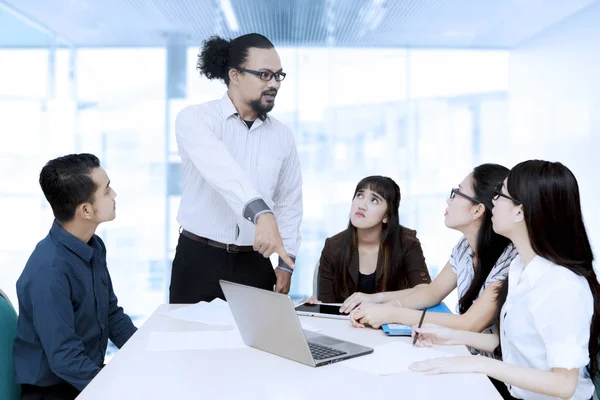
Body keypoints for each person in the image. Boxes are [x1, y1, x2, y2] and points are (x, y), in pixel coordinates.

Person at [410, 160, 599, 400]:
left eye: (500, 195)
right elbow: (514, 345)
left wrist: (481, 365)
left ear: (520, 211)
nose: (493, 203)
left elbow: (564, 384)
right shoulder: (521, 267)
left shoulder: (562, 286)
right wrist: (449, 336)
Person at [169, 33, 303, 304]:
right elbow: (222, 171)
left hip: (254, 262)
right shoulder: (195, 119)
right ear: (235, 75)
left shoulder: (282, 136)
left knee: (258, 346)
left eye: (279, 75)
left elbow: (290, 201)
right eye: (264, 74)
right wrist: (261, 213)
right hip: (198, 259)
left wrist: (286, 262)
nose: (274, 84)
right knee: (189, 344)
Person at [347, 164, 518, 350]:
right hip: (465, 354)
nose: (448, 201)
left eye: (456, 193)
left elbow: (469, 323)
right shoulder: (464, 247)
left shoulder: (509, 260)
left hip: (491, 371)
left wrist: (391, 313)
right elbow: (432, 292)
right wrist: (382, 302)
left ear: (477, 210)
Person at [13, 154, 137, 400]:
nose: (114, 194)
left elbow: (111, 315)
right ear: (86, 210)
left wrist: (146, 353)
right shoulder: (49, 273)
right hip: (54, 391)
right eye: (106, 190)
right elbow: (66, 360)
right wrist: (119, 391)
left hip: (83, 378)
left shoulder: (93, 245)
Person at [313, 176, 431, 304]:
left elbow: (425, 291)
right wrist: (314, 306)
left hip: (393, 321)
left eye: (374, 200)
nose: (362, 206)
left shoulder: (407, 244)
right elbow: (326, 305)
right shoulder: (333, 246)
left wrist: (375, 298)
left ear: (387, 216)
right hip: (345, 322)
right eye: (359, 195)